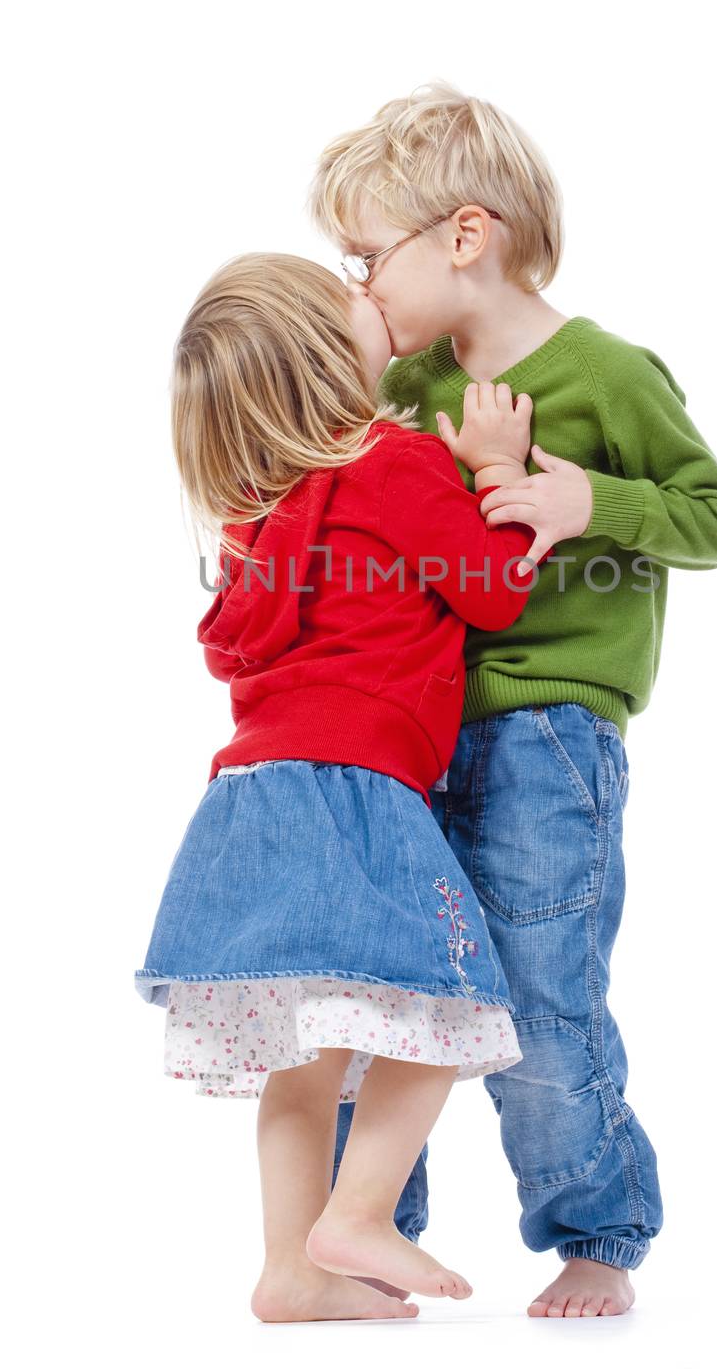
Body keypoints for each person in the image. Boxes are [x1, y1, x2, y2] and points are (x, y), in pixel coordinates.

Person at [308, 82, 717, 1319]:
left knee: (537, 985)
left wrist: (585, 506)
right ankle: (362, 1233)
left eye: (366, 255)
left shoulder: (606, 372)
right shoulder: (407, 395)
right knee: (384, 980)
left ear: (464, 235)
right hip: (412, 730)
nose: (357, 285)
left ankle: (597, 1232)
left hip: (549, 731)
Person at [133, 252, 554, 1324]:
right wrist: (496, 469)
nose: (371, 293)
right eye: (352, 298)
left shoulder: (247, 514)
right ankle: (358, 1212)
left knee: (305, 1060)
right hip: (358, 787)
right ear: (328, 357)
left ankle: (291, 1268)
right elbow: (493, 594)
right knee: (448, 999)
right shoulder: (395, 456)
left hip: (249, 801)